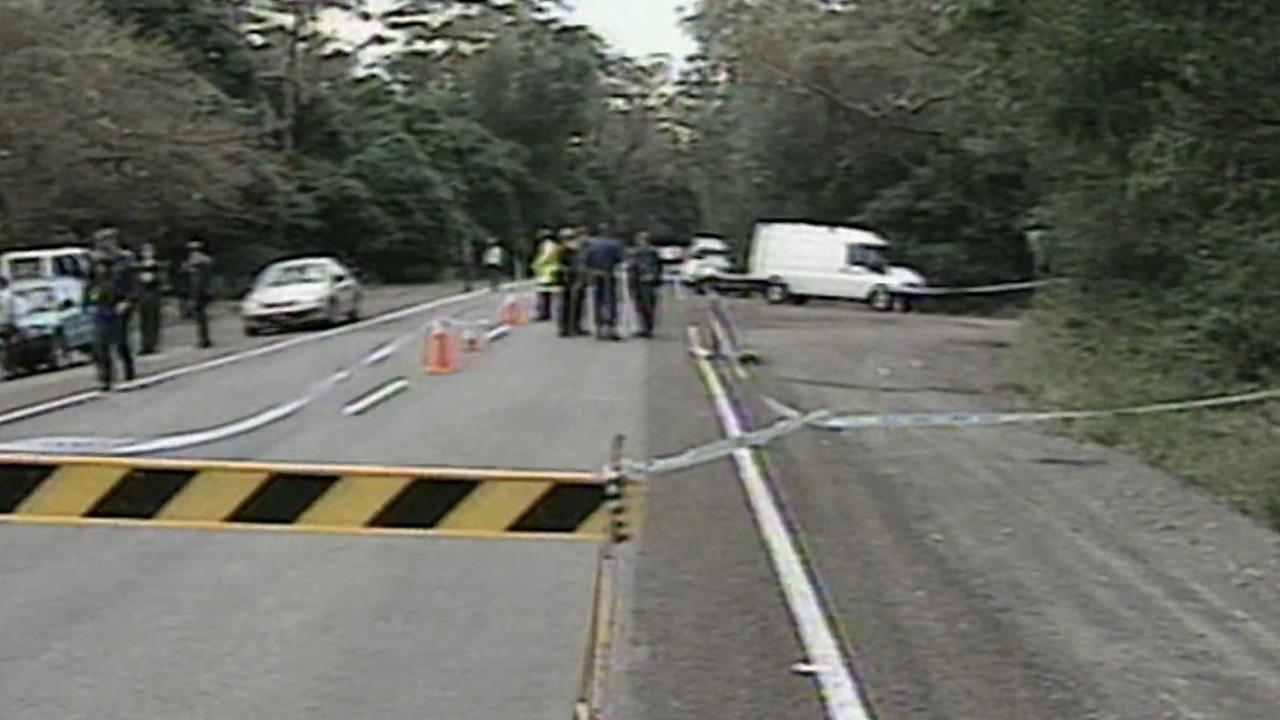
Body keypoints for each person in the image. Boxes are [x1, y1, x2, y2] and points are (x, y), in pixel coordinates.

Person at [85, 255, 136, 390]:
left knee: (121, 344)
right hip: (100, 315)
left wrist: (125, 303)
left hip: (115, 313)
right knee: (101, 348)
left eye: (102, 266)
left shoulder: (117, 280)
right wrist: (90, 308)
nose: (100, 269)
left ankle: (129, 371)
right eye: (98, 266)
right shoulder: (93, 282)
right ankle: (105, 377)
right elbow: (87, 299)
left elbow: (130, 294)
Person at [582, 223, 626, 341]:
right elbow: (620, 259)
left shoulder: (591, 245)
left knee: (597, 301)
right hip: (609, 273)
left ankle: (599, 329)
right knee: (611, 301)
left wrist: (591, 271)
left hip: (596, 274)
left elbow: (586, 260)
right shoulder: (615, 244)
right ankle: (611, 328)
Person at [628, 231, 663, 338]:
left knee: (646, 305)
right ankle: (644, 327)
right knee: (640, 305)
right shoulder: (638, 252)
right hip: (638, 280)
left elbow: (656, 267)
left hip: (645, 280)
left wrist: (654, 276)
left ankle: (647, 328)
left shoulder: (650, 252)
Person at [182, 239, 214, 349]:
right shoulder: (206, 261)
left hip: (199, 292)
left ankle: (204, 339)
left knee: (200, 316)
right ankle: (204, 338)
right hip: (205, 290)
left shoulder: (195, 263)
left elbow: (196, 281)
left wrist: (193, 296)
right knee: (202, 316)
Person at [556, 228, 587, 337]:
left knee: (577, 303)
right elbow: (561, 266)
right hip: (568, 280)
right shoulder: (564, 250)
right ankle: (566, 328)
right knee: (567, 304)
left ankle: (575, 326)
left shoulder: (575, 249)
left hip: (574, 278)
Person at [137, 242, 165, 355]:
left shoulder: (156, 265)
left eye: (149, 251)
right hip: (143, 296)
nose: (147, 254)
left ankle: (153, 343)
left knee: (153, 320)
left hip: (153, 295)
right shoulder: (138, 266)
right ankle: (145, 344)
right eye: (145, 251)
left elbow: (160, 280)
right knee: (144, 321)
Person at [530, 229, 561, 322]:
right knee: (546, 294)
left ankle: (543, 313)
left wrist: (536, 264)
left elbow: (546, 257)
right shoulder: (553, 244)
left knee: (543, 294)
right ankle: (546, 312)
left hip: (547, 272)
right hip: (548, 271)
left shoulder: (548, 244)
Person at [0, 276, 23, 379]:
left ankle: (7, 369)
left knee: (6, 347)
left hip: (3, 324)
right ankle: (11, 369)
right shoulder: (9, 296)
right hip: (8, 324)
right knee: (10, 347)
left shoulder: (6, 296)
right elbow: (15, 311)